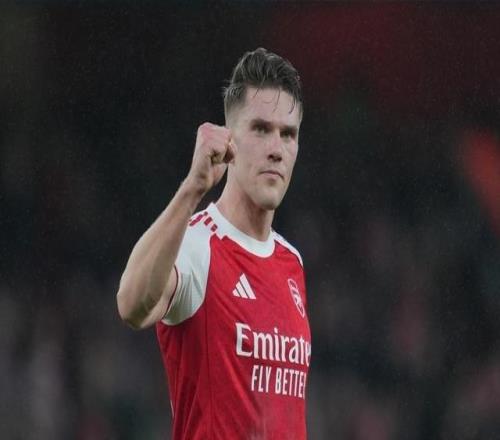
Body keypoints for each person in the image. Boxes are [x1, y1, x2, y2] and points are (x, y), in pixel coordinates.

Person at [117, 48, 311, 439]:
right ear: (229, 140)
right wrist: (193, 187)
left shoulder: (291, 261)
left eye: (288, 134)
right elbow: (132, 306)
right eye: (261, 129)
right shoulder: (196, 245)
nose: (276, 149)